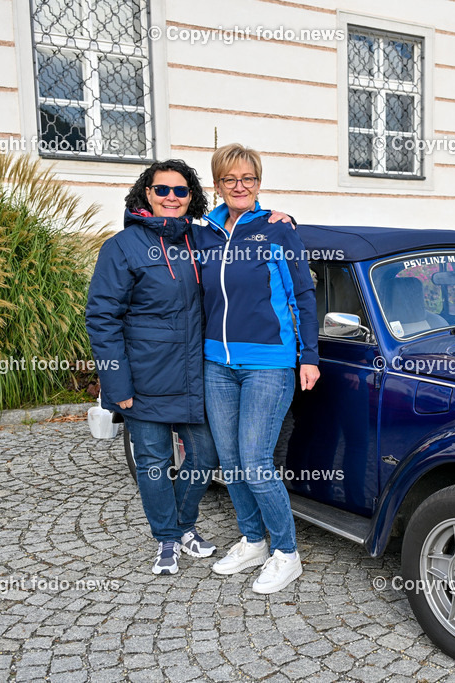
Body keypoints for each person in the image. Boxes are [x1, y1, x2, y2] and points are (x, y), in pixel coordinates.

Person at [86, 160, 222, 575]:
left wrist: (277, 220)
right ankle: (167, 538)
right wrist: (117, 384)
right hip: (144, 378)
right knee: (152, 461)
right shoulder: (122, 247)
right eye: (162, 189)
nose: (171, 197)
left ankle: (182, 526)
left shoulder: (201, 240)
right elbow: (102, 319)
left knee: (205, 456)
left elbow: (239, 230)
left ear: (191, 197)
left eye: (180, 191)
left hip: (194, 375)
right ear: (147, 193)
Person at [195, 143, 320, 594]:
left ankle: (286, 551)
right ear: (217, 185)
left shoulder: (277, 229)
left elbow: (302, 294)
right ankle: (253, 540)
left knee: (254, 461)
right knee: (229, 462)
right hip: (217, 362)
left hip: (269, 361)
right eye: (230, 179)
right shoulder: (204, 234)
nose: (239, 186)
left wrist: (309, 356)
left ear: (258, 182)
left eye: (247, 178)